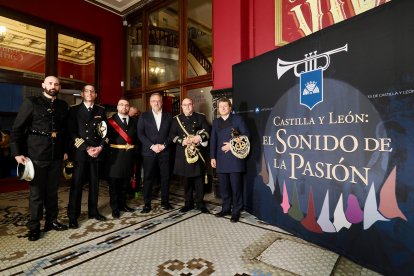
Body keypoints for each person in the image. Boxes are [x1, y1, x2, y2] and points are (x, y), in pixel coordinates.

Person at [10, 76, 69, 241]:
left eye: (56, 84)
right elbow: (17, 129)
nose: (53, 86)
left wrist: (65, 151)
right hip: (36, 154)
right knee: (36, 193)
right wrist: (16, 153)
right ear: (43, 85)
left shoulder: (63, 106)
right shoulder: (31, 102)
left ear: (59, 87)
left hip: (56, 155)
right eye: (50, 83)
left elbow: (65, 131)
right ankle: (34, 226)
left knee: (52, 192)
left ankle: (52, 221)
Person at [67, 84, 107, 228]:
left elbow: (104, 132)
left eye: (92, 91)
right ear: (82, 94)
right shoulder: (74, 110)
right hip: (81, 153)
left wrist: (100, 147)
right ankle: (73, 216)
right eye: (87, 91)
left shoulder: (101, 110)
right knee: (77, 185)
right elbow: (71, 132)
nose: (89, 93)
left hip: (96, 152)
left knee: (95, 184)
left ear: (95, 94)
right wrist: (86, 147)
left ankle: (93, 211)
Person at [210, 98, 250, 223]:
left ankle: (236, 211)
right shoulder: (216, 122)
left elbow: (247, 136)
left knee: (236, 187)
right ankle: (226, 208)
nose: (222, 108)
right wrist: (212, 157)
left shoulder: (238, 119)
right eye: (220, 106)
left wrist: (231, 145)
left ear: (230, 107)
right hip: (221, 159)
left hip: (235, 160)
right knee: (224, 187)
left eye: (225, 106)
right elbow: (213, 141)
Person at [169, 98, 210, 213]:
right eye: (185, 105)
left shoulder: (200, 117)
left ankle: (200, 204)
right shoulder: (176, 119)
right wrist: (181, 141)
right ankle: (188, 203)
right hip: (184, 154)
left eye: (189, 104)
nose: (187, 107)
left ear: (193, 105)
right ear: (181, 107)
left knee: (199, 180)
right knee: (187, 181)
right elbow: (172, 134)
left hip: (198, 153)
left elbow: (207, 131)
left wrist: (199, 137)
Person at [137, 92, 172, 213]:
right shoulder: (144, 116)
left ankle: (165, 202)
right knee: (148, 178)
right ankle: (147, 204)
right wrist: (152, 146)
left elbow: (171, 135)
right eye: (153, 101)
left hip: (164, 152)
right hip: (149, 152)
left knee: (165, 178)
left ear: (161, 102)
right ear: (150, 103)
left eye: (158, 101)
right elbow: (140, 134)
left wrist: (163, 145)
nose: (156, 103)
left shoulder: (169, 116)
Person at [106, 98, 138, 218]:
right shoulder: (110, 122)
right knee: (114, 185)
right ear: (117, 107)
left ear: (129, 107)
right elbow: (104, 140)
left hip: (129, 156)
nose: (124, 107)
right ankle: (115, 208)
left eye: (126, 105)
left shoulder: (135, 122)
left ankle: (123, 204)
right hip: (114, 157)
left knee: (125, 183)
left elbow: (137, 139)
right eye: (121, 105)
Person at [127, 105, 142, 198]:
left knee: (137, 172)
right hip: (126, 151)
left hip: (137, 150)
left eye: (136, 113)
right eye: (133, 113)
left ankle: (136, 189)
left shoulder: (138, 121)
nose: (135, 115)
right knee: (127, 172)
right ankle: (129, 190)